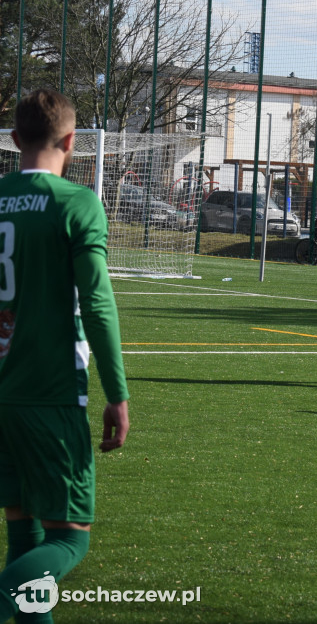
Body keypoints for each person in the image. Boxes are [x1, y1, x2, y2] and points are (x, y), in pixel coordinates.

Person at [0, 89, 130, 622]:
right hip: (50, 392)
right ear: (73, 142)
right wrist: (118, 394)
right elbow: (98, 306)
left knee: (25, 537)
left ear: (14, 140)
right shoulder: (77, 203)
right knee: (69, 540)